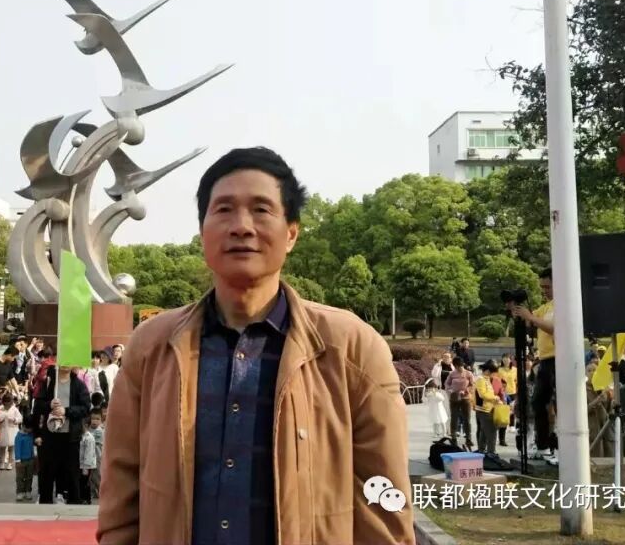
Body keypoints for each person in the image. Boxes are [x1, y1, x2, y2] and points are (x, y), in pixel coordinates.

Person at [98, 147, 413, 545]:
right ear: (203, 232)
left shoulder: (352, 349)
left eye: (261, 210)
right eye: (224, 209)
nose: (241, 226)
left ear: (291, 234)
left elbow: (383, 499)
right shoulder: (151, 347)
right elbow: (121, 490)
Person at [512, 267, 557, 464]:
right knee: (538, 402)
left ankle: (559, 447)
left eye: (547, 286)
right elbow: (530, 319)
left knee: (559, 405)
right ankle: (543, 446)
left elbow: (554, 327)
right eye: (542, 287)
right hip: (545, 360)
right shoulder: (545, 307)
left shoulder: (564, 303)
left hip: (559, 358)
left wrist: (530, 317)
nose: (544, 290)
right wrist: (516, 309)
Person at [35, 364, 91, 505]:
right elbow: (37, 406)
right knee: (47, 472)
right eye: (63, 361)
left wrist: (66, 411)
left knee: (72, 473)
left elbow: (85, 408)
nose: (65, 365)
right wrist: (49, 405)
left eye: (69, 362)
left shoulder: (78, 384)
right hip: (51, 435)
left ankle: (73, 503)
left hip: (70, 436)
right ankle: (45, 503)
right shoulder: (49, 383)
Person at [445, 357, 475, 449]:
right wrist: (450, 390)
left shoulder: (468, 373)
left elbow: (472, 385)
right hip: (454, 398)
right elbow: (447, 384)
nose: (459, 368)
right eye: (457, 367)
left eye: (460, 366)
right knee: (454, 418)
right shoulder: (452, 374)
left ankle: (468, 438)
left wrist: (466, 390)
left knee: (467, 419)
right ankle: (453, 437)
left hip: (465, 398)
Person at [585, 363, 613, 457]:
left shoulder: (603, 388)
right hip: (593, 427)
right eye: (589, 370)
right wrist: (597, 400)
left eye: (594, 370)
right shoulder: (583, 389)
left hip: (605, 426)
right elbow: (583, 411)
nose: (592, 373)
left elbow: (609, 408)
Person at [474, 361, 501, 455]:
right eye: (494, 372)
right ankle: (491, 452)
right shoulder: (481, 379)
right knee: (492, 432)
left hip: (487, 408)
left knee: (484, 432)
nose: (494, 375)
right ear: (489, 371)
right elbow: (482, 394)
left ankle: (481, 450)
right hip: (484, 409)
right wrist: (495, 398)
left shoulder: (486, 379)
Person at [0, 393, 22, 471]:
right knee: (2, 447)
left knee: (11, 448)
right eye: (5, 403)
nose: (7, 405)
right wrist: (1, 417)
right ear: (3, 402)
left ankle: (10, 463)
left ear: (11, 402)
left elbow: (20, 418)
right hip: (3, 430)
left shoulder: (15, 409)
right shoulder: (0, 408)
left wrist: (14, 420)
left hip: (12, 430)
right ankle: (2, 462)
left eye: (9, 403)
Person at [85, 409, 104, 502]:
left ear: (101, 420)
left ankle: (102, 493)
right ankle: (93, 493)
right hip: (88, 458)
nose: (95, 421)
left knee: (97, 476)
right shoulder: (88, 429)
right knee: (90, 477)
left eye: (97, 419)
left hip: (97, 457)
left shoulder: (100, 431)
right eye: (93, 418)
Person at [79, 416, 99, 504]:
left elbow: (89, 453)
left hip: (87, 465)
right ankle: (83, 497)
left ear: (86, 425)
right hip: (81, 463)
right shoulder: (82, 436)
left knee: (86, 482)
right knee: (82, 481)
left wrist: (85, 467)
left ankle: (87, 499)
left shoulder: (89, 437)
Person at [14, 422, 35, 501]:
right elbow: (17, 449)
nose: (31, 429)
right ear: (23, 426)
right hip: (21, 461)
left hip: (30, 459)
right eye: (29, 428)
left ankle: (28, 491)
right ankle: (20, 492)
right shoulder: (19, 436)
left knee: (29, 477)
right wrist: (18, 460)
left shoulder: (31, 435)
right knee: (20, 477)